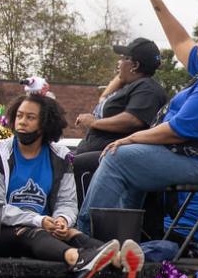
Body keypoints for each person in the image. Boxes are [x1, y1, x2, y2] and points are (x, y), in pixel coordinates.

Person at [76, 0, 198, 238]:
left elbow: (179, 131)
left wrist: (131, 139)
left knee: (117, 157)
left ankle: (84, 235)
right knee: (132, 166)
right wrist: (155, 0)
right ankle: (127, 239)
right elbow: (180, 40)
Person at [0, 92, 145, 278]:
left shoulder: (61, 156)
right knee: (33, 232)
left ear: (44, 124)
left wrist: (62, 219)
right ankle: (77, 259)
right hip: (5, 231)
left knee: (70, 233)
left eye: (30, 117)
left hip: (46, 228)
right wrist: (39, 220)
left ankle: (120, 260)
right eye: (19, 115)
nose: (22, 122)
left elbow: (67, 202)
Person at [72, 38, 169, 190]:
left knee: (71, 166)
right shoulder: (131, 86)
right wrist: (122, 75)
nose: (118, 62)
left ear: (135, 65)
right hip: (95, 151)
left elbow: (133, 120)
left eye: (124, 59)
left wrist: (93, 122)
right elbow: (103, 98)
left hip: (113, 157)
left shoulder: (147, 88)